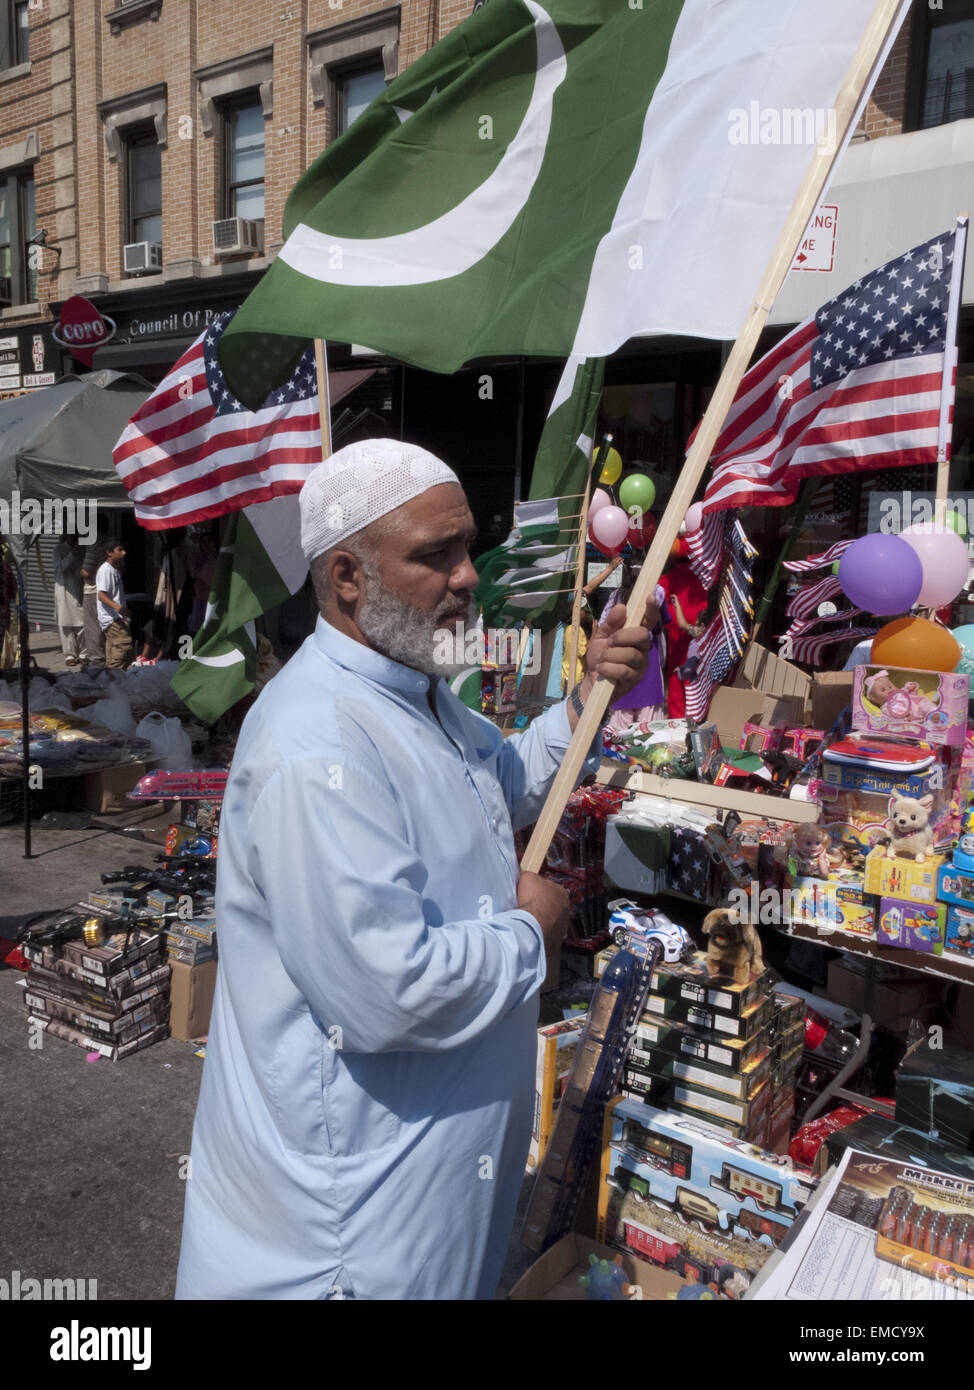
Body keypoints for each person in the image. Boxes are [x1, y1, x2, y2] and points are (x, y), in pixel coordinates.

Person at [175, 438, 655, 1301]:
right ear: (350, 577)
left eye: (466, 545)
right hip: (350, 1232)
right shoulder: (315, 741)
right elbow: (385, 990)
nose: (469, 576)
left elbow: (498, 784)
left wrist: (585, 704)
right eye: (436, 555)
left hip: (432, 1201)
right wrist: (530, 933)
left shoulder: (420, 693)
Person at [96, 542, 134, 669]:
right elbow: (101, 595)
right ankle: (114, 682)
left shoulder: (114, 570)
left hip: (118, 618)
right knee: (119, 654)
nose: (124, 553)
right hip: (113, 619)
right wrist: (119, 609)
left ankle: (114, 681)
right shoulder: (106, 571)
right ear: (109, 552)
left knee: (120, 654)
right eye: (120, 550)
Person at [52, 533, 85, 665]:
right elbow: (59, 567)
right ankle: (70, 655)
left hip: (78, 587)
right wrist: (72, 554)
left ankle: (84, 652)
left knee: (81, 622)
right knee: (65, 622)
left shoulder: (82, 549)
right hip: (63, 588)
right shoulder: (58, 549)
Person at [79, 534, 107, 665]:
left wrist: (78, 570)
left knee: (92, 626)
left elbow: (86, 571)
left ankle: (96, 658)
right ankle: (107, 653)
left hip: (93, 590)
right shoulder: (113, 544)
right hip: (108, 590)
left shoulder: (94, 545)